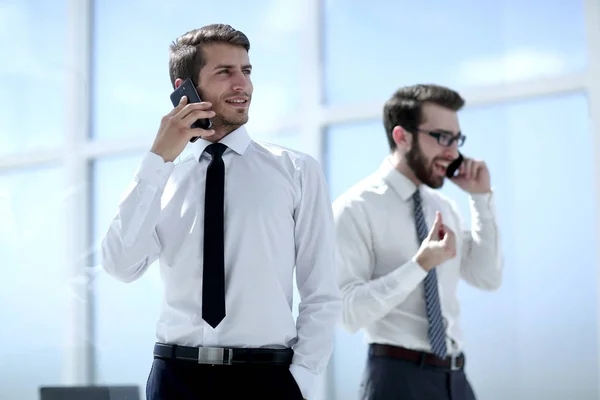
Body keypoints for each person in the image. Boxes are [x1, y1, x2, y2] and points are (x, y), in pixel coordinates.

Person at [100, 24, 341, 400]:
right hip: (174, 379)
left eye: (246, 71)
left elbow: (322, 290)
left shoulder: (295, 171)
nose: (242, 84)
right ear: (186, 89)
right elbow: (119, 265)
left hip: (266, 379)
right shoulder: (161, 178)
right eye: (225, 72)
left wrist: (301, 379)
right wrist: (157, 159)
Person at [333, 84, 503, 400]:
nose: (452, 152)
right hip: (397, 380)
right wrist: (420, 265)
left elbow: (488, 277)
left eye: (456, 139)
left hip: (456, 380)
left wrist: (481, 200)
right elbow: (347, 314)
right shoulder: (355, 208)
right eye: (441, 137)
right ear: (402, 137)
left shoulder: (444, 208)